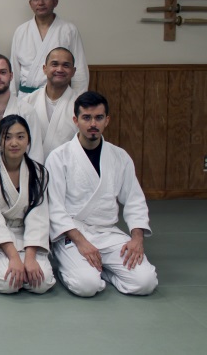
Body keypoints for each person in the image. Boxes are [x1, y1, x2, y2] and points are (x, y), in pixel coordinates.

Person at [46, 91, 158, 297]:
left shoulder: (119, 156)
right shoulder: (59, 157)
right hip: (72, 234)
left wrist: (136, 238)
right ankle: (76, 269)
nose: (92, 124)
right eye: (86, 118)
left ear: (107, 120)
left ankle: (105, 272)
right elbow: (55, 207)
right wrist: (81, 241)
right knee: (86, 286)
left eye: (98, 118)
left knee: (146, 282)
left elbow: (134, 200)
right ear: (75, 120)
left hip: (107, 233)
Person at [0, 115, 55, 294]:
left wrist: (30, 257)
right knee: (8, 283)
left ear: (28, 140)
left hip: (27, 235)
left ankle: (28, 260)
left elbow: (38, 217)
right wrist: (14, 257)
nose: (14, 142)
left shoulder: (39, 172)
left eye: (20, 136)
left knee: (41, 283)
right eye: (7, 137)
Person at [10, 0, 88, 98]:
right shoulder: (21, 31)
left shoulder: (68, 30)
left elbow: (80, 70)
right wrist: (12, 99)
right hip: (26, 97)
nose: (41, 3)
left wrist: (79, 101)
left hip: (60, 96)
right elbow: (14, 71)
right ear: (30, 3)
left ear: (55, 2)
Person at [24, 47, 79, 156]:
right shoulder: (28, 101)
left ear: (73, 71)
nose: (60, 69)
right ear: (45, 68)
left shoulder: (80, 105)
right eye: (54, 64)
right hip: (33, 168)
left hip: (66, 168)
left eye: (66, 65)